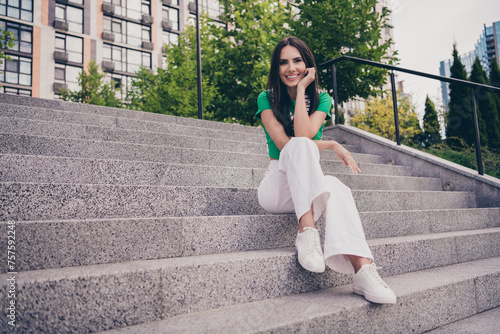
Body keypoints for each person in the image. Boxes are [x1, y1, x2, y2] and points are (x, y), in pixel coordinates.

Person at [255, 36, 396, 304]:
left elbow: (305, 133)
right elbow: (288, 145)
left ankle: (363, 270)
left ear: (308, 65)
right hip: (277, 187)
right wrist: (331, 143)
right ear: (276, 68)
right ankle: (307, 233)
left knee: (337, 187)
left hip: (305, 186)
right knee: (299, 146)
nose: (291, 68)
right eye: (283, 62)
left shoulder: (322, 99)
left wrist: (303, 89)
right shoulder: (266, 98)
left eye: (297, 60)